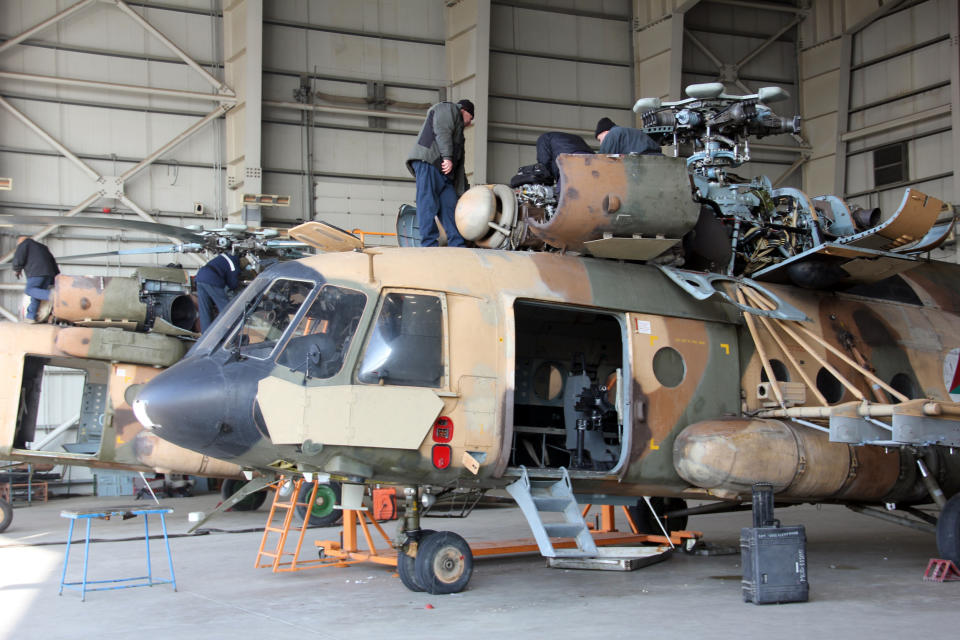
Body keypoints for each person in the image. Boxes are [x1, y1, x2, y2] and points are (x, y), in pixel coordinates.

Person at [406, 99, 475, 247]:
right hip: (429, 163)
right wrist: (447, 157)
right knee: (427, 203)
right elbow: (442, 131)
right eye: (471, 118)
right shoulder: (447, 109)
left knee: (451, 206)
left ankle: (457, 243)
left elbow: (460, 167)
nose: (470, 123)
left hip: (445, 173)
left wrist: (465, 191)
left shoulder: (460, 135)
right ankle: (429, 244)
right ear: (464, 110)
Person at [12, 235, 59, 323]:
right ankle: (31, 317)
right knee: (37, 294)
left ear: (20, 241)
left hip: (36, 273)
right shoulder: (43, 247)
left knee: (29, 290)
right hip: (49, 274)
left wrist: (16, 269)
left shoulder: (24, 244)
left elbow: (18, 257)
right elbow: (53, 261)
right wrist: (56, 276)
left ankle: (50, 295)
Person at [195, 252, 241, 331]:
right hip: (211, 279)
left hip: (200, 277)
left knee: (204, 309)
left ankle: (205, 335)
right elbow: (233, 284)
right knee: (226, 308)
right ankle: (229, 333)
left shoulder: (223, 257)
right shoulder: (234, 263)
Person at [595, 117, 662, 155]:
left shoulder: (612, 134)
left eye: (599, 139)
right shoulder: (633, 132)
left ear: (605, 132)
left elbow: (601, 160)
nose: (601, 143)